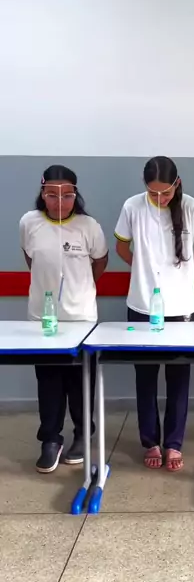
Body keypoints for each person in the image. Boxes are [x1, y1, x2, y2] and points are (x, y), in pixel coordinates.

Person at [115, 156, 194, 471]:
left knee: (178, 379)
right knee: (145, 377)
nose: (160, 198)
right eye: (153, 193)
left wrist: (180, 272)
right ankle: (150, 442)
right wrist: (143, 270)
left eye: (166, 193)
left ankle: (173, 443)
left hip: (181, 307)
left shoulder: (192, 207)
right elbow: (122, 248)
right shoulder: (132, 207)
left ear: (177, 184)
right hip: (141, 305)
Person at [20, 165, 108, 473]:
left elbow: (100, 261)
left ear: (76, 195)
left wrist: (79, 289)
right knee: (48, 381)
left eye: (67, 195)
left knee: (80, 381)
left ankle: (83, 435)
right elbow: (31, 258)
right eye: (52, 195)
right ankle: (50, 439)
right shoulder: (29, 223)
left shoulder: (88, 226)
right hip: (42, 319)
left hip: (80, 317)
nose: (60, 202)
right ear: (42, 193)